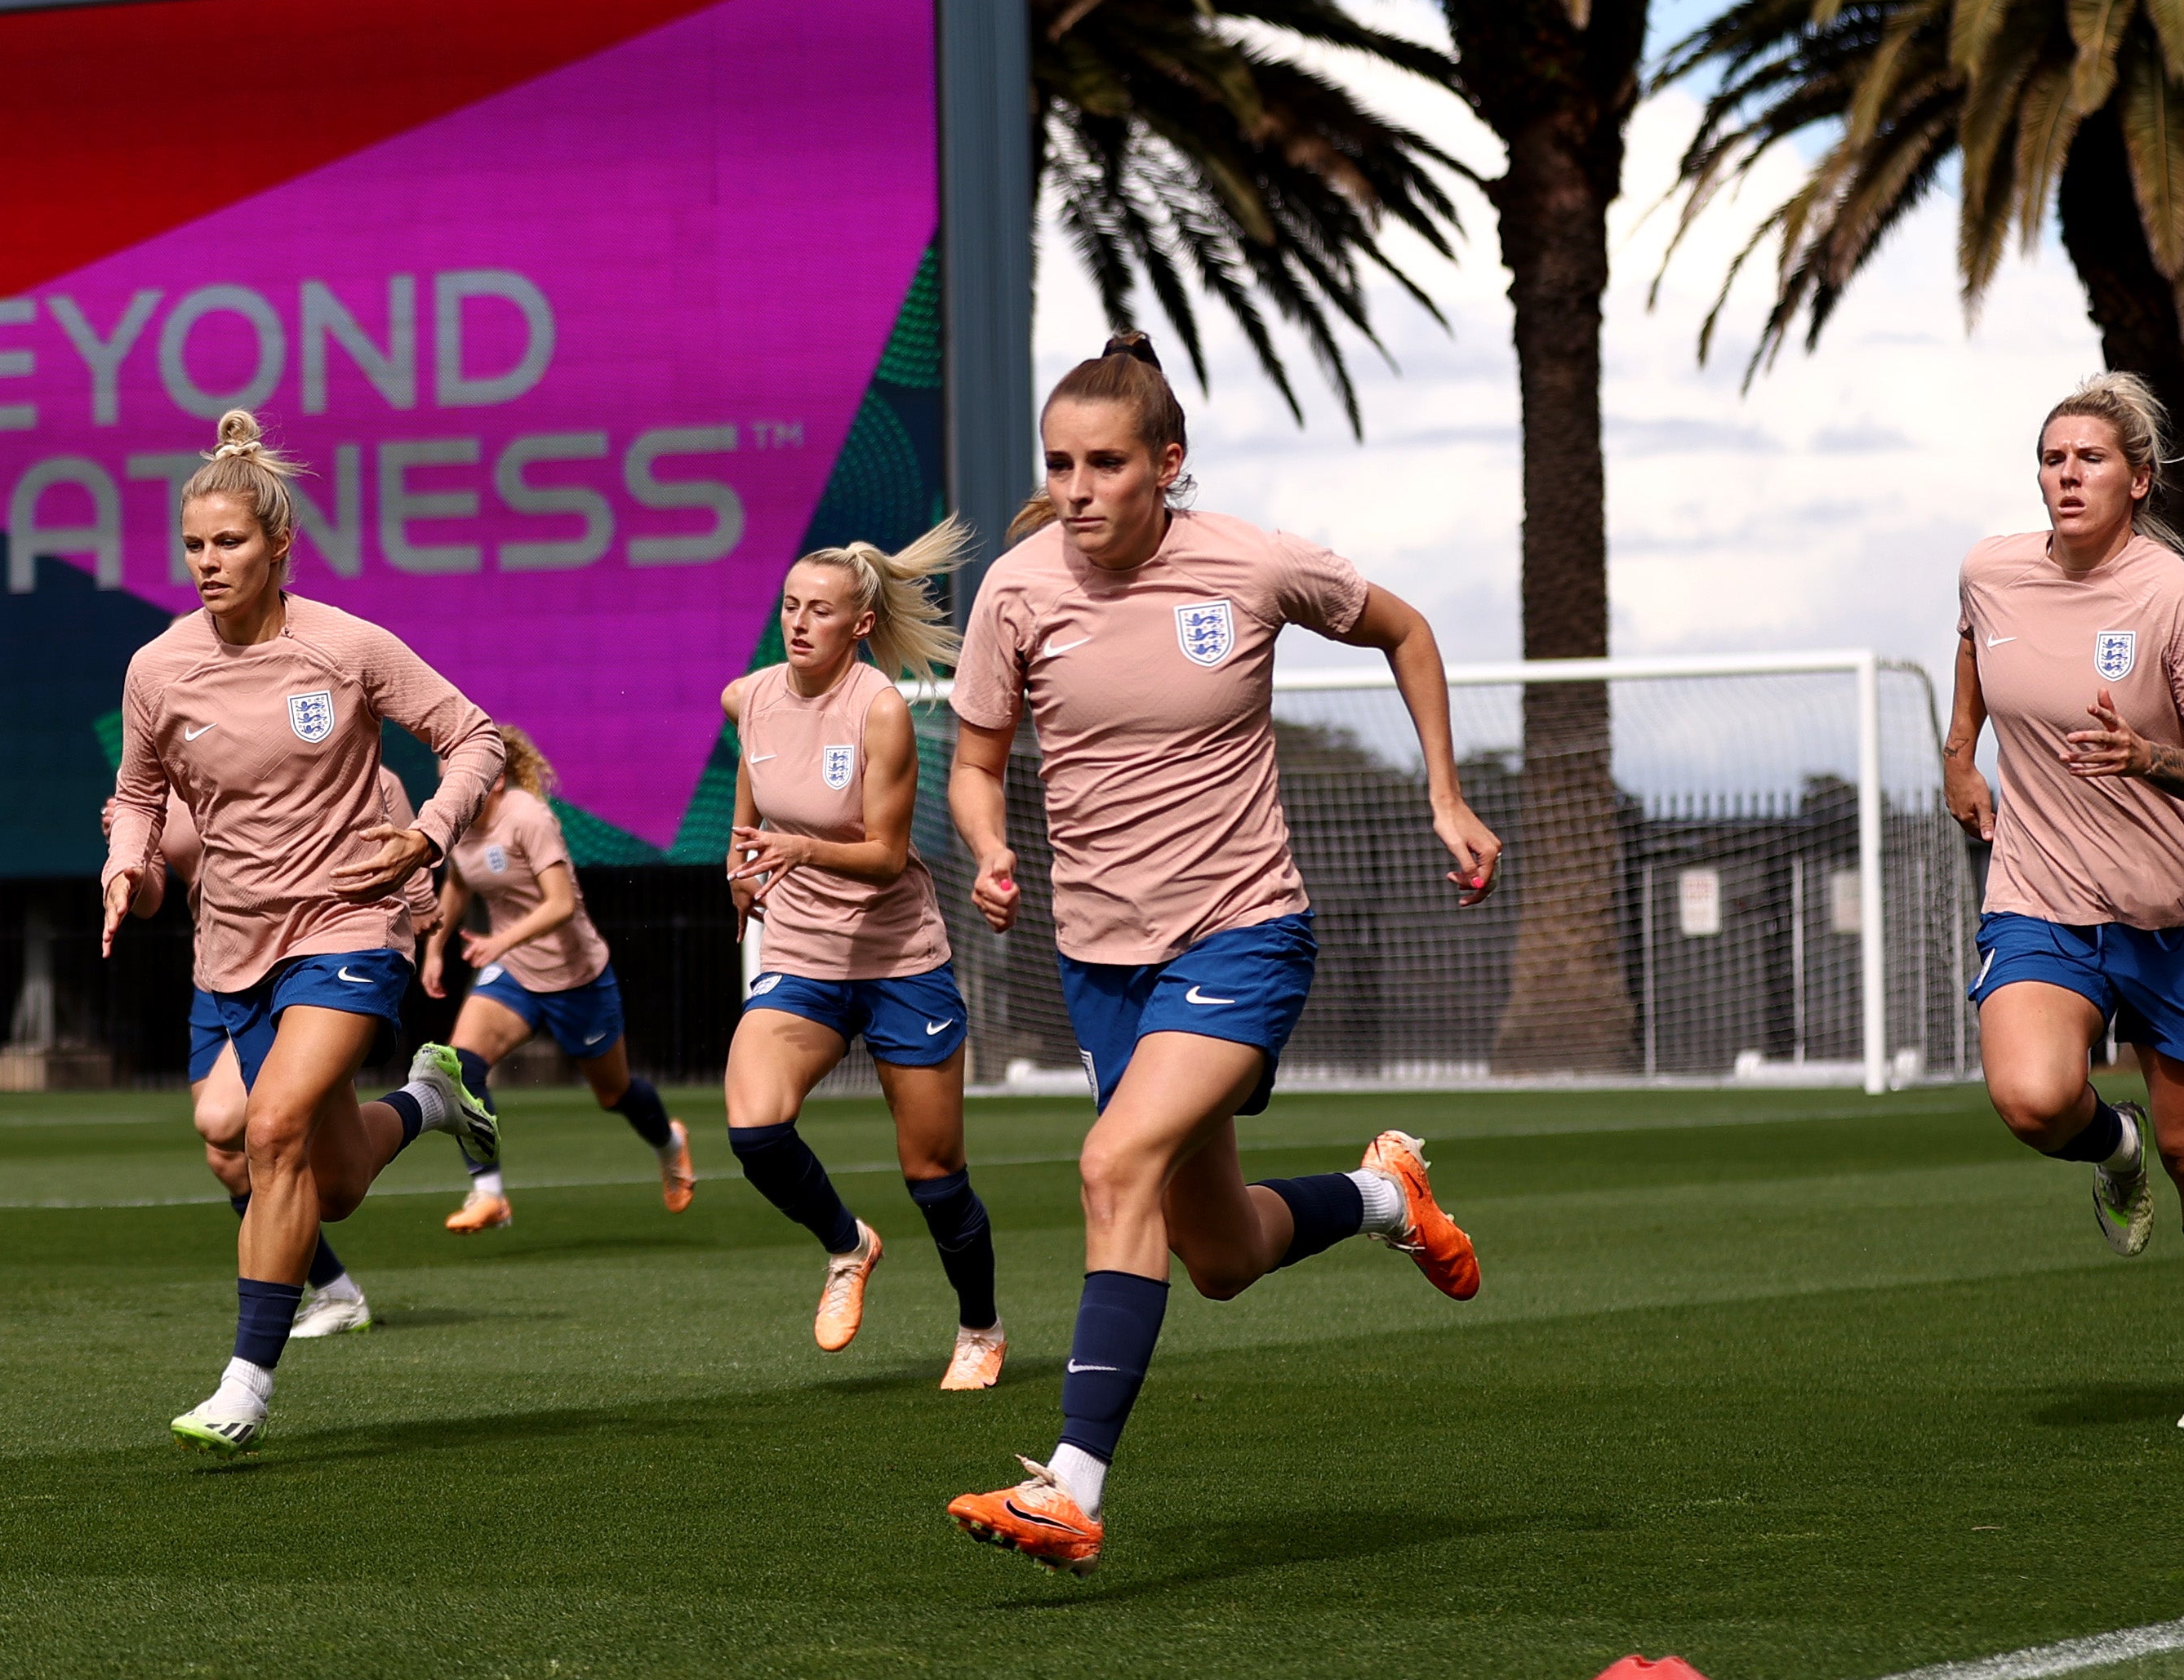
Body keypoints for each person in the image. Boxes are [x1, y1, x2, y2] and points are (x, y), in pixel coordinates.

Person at [941, 336, 1501, 1571]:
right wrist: (985, 846)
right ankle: (1379, 1198)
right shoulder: (1019, 592)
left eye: (1105, 464)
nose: (1077, 488)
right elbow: (976, 763)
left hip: (1243, 935)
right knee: (1220, 1255)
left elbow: (1405, 631)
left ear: (1167, 465)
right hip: (1101, 963)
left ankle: (1070, 1484)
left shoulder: (1249, 563)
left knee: (1111, 1163)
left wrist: (1443, 796)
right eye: (1059, 465)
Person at [102, 411, 508, 1454]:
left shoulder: (347, 645)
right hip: (230, 945)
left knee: (272, 1128)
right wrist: (125, 861)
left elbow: (474, 738)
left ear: (280, 546)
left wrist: (425, 835)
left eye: (228, 542)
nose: (207, 562)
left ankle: (246, 1384)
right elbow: (137, 797)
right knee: (307, 1172)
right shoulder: (157, 667)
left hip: (344, 924)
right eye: (194, 545)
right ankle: (432, 1098)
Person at [1945, 371, 2184, 1430]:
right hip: (2042, 895)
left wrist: (2149, 760)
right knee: (2033, 1099)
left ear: (2138, 479)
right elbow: (1974, 650)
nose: (2066, 475)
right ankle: (2107, 1148)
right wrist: (1959, 756)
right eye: (2051, 458)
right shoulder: (1990, 572)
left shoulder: (2176, 598)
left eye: (2089, 459)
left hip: (2179, 915)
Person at [718, 518, 1006, 1393]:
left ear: (860, 626)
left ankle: (980, 1327)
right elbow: (751, 790)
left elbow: (884, 855)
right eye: (789, 606)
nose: (798, 623)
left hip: (896, 960)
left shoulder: (879, 710)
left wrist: (800, 849)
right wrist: (738, 863)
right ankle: (848, 1245)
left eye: (820, 611)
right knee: (754, 1128)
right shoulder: (750, 695)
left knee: (934, 1174)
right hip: (803, 956)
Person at [422, 726, 696, 1231]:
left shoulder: (528, 817)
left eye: (461, 778)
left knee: (613, 1094)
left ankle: (670, 1144)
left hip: (574, 975)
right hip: (514, 973)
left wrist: (498, 942)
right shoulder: (458, 822)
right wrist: (436, 947)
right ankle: (488, 1194)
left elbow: (562, 904)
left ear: (497, 778)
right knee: (457, 1067)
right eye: (446, 780)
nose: (450, 790)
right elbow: (460, 880)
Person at [158, 777, 391, 1337]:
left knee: (229, 1123)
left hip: (298, 970)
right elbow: (156, 895)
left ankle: (249, 1376)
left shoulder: (338, 763)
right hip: (214, 980)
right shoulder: (162, 774)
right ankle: (336, 1292)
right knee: (229, 1160)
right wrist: (127, 856)